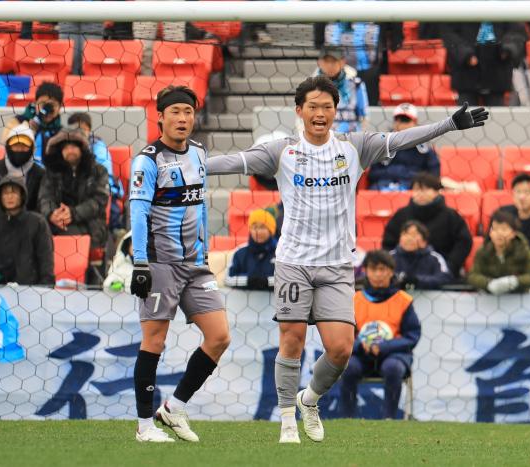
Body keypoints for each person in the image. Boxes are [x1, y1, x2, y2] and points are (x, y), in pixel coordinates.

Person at [205, 75, 488, 443]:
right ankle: (287, 420)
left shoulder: (355, 147)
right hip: (293, 262)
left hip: (338, 265)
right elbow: (233, 161)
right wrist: (189, 165)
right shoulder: (282, 151)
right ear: (299, 110)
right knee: (292, 339)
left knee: (340, 349)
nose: (320, 113)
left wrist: (449, 123)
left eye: (327, 107)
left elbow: (402, 139)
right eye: (313, 107)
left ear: (336, 112)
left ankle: (310, 399)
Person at [129, 85, 231, 443]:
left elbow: (199, 206)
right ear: (160, 117)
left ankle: (173, 407)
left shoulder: (199, 153)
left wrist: (205, 252)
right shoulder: (148, 161)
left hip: (195, 265)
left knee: (219, 336)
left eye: (188, 111)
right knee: (154, 341)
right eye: (175, 111)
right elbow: (138, 212)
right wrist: (140, 263)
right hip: (159, 264)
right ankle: (144, 427)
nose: (183, 118)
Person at [339, 249, 420, 419]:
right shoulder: (354, 299)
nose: (378, 274)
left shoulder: (403, 300)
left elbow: (412, 336)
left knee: (392, 368)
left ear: (391, 271)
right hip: (361, 354)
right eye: (373, 269)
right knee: (348, 367)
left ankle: (389, 419)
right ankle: (347, 419)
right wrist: (360, 345)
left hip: (394, 355)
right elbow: (344, 335)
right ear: (366, 271)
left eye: (382, 269)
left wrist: (384, 347)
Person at [382, 172, 473, 279]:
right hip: (403, 272)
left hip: (441, 273)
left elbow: (464, 242)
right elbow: (388, 243)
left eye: (425, 189)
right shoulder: (401, 214)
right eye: (416, 189)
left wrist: (450, 266)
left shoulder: (450, 215)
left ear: (436, 192)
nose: (420, 193)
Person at [419, 22, 526, 106]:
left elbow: (516, 32)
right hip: (465, 74)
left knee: (496, 117)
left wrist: (507, 50)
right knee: (465, 117)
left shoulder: (505, 7)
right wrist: (465, 54)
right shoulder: (458, 7)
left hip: (497, 73)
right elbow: (449, 34)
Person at [38, 129, 109, 250]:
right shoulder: (51, 172)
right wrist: (52, 214)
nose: (70, 151)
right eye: (65, 148)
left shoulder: (99, 170)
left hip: (90, 223)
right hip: (57, 222)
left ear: (82, 149)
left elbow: (100, 200)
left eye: (73, 147)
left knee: (70, 235)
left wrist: (73, 213)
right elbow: (45, 197)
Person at [0, 176, 54, 286]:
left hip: (31, 289)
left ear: (22, 195)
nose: (9, 196)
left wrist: (46, 287)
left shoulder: (37, 222)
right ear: (0, 196)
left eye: (14, 192)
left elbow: (45, 260)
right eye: (5, 193)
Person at [67, 112, 125, 231]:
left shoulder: (98, 146)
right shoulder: (65, 147)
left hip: (102, 191)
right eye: (74, 129)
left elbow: (103, 174)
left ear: (88, 129)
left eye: (82, 129)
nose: (78, 133)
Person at [367, 103, 440, 191]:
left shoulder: (425, 149)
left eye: (405, 120)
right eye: (397, 120)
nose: (400, 124)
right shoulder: (382, 146)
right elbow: (372, 175)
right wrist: (393, 172)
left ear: (415, 122)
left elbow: (434, 176)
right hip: (383, 187)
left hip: (413, 189)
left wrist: (406, 174)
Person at [0, 123, 45, 220]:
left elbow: (41, 204)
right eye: (15, 145)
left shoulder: (39, 173)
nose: (19, 149)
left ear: (32, 149)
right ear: (7, 147)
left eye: (24, 146)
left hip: (27, 224)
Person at [467, 209, 530, 294]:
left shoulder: (523, 250)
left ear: (513, 233)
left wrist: (515, 281)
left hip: (518, 295)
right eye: (495, 229)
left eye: (504, 229)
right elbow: (472, 276)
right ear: (490, 233)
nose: (499, 233)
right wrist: (488, 283)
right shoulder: (483, 251)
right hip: (491, 296)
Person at [2, 81, 64, 165]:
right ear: (35, 103)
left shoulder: (61, 132)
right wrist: (27, 130)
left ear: (60, 107)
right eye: (43, 104)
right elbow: (8, 148)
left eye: (52, 105)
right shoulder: (17, 122)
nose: (47, 109)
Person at [314, 46, 369, 133]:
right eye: (326, 61)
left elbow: (364, 117)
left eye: (334, 61)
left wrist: (360, 137)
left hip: (351, 136)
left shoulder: (356, 84)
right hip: (320, 136)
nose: (330, 65)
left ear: (343, 62)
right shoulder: (310, 86)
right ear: (319, 62)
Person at [390, 220, 453, 289]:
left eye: (413, 235)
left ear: (424, 241)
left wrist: (417, 280)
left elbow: (445, 278)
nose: (408, 238)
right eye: (405, 234)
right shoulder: (390, 257)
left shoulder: (434, 258)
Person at [224, 208, 277, 290]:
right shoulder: (240, 252)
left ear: (271, 230)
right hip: (243, 297)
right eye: (254, 227)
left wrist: (266, 281)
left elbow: (287, 280)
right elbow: (227, 279)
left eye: (263, 227)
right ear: (250, 229)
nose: (258, 231)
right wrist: (248, 280)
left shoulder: (280, 253)